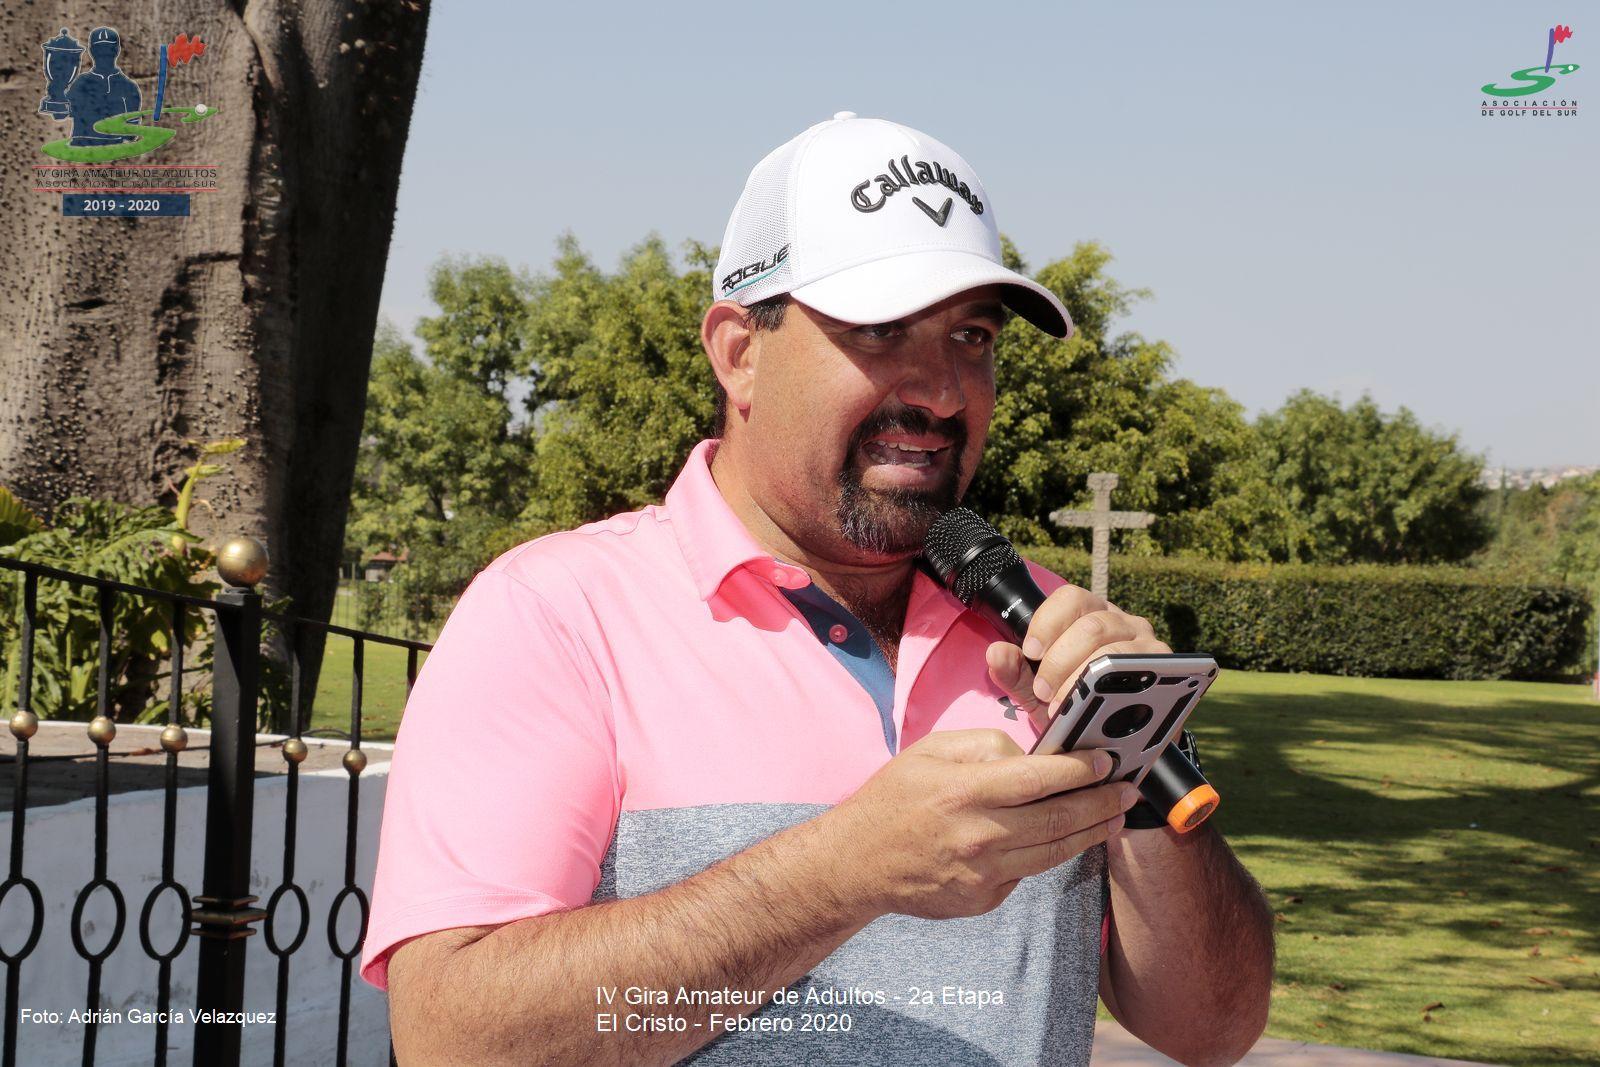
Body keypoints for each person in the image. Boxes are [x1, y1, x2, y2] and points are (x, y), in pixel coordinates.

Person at [363, 112, 1274, 1066]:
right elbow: (453, 1038)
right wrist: (841, 872)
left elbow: (1212, 1028)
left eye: (971, 335)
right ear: (739, 352)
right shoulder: (556, 614)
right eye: (879, 328)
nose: (942, 390)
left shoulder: (1047, 630)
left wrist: (1143, 764)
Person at [65, 27, 141, 146]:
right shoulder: (80, 83)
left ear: (117, 50)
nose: (104, 55)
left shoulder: (129, 87)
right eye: (99, 50)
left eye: (108, 49)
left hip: (114, 151)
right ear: (91, 51)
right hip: (82, 149)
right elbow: (66, 111)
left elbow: (132, 133)